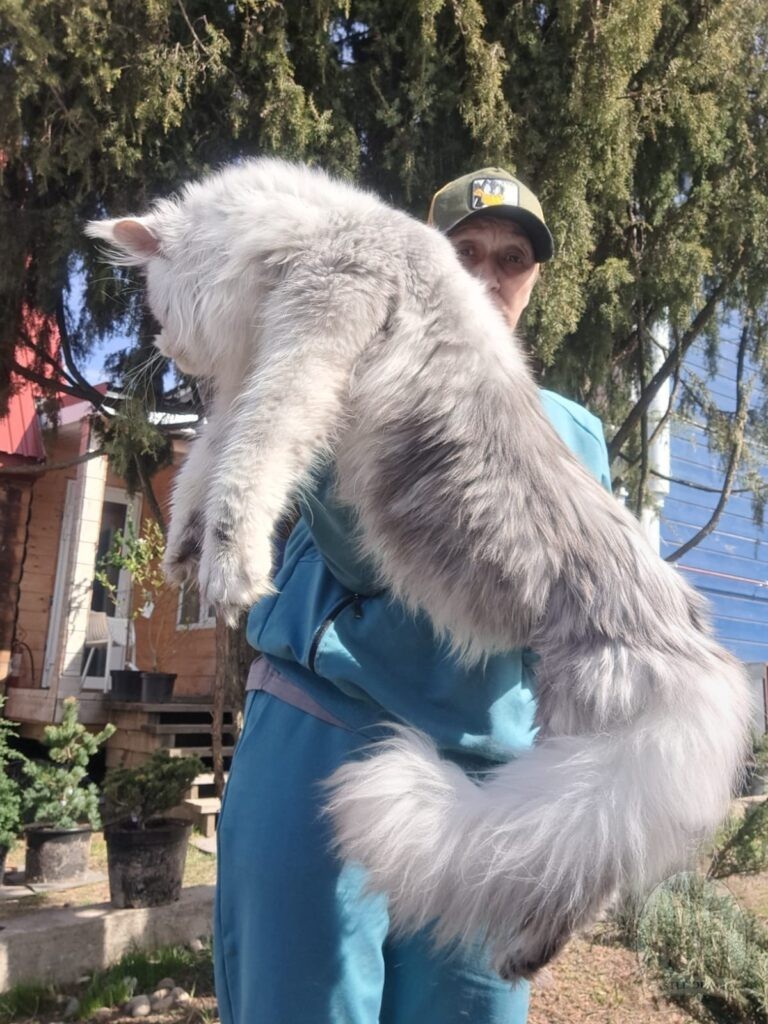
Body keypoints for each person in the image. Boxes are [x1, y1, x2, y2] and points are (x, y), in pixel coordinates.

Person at [213, 167, 612, 1024]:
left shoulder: (575, 438)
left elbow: (587, 637)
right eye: (465, 253)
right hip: (326, 736)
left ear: (534, 282)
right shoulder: (347, 378)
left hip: (487, 786)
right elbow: (359, 558)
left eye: (512, 260)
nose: (488, 276)